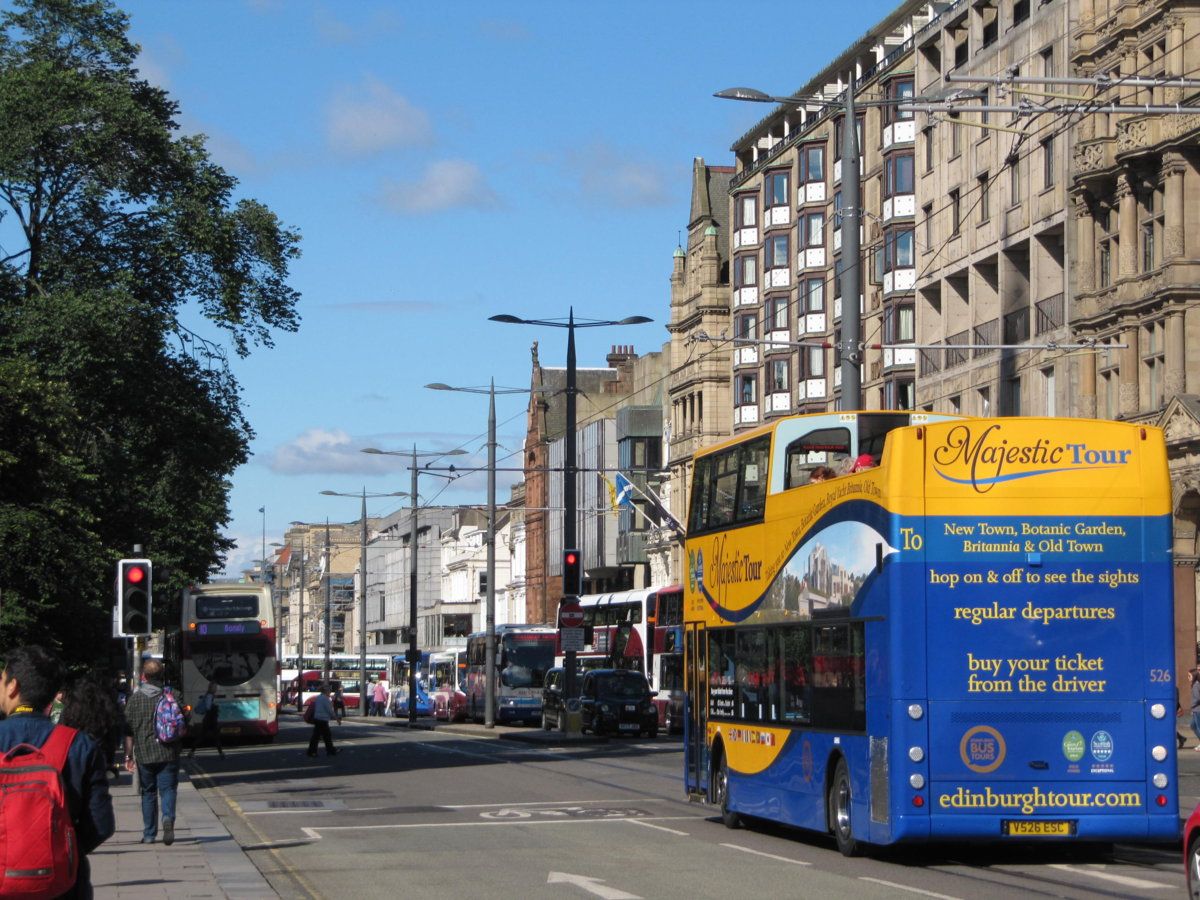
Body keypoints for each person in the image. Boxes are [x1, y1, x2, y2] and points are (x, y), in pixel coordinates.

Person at [0, 645, 114, 897]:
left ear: (13, 686)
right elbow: (102, 825)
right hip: (63, 886)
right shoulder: (79, 745)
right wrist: (61, 850)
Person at [123, 659, 182, 844]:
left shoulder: (135, 700)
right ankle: (168, 818)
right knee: (168, 789)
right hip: (168, 752)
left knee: (148, 793)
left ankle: (149, 835)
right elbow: (183, 720)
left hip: (144, 755)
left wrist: (128, 756)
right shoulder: (174, 695)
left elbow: (128, 731)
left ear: (144, 677)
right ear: (162, 676)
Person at [60, 673, 125, 781]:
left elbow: (62, 733)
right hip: (98, 756)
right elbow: (113, 737)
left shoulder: (69, 710)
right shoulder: (105, 711)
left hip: (74, 757)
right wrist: (110, 761)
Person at [188, 681, 224, 759]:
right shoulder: (209, 696)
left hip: (209, 719)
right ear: (211, 688)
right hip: (210, 719)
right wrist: (215, 707)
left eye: (216, 687)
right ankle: (221, 754)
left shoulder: (209, 695)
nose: (216, 688)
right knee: (212, 736)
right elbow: (208, 707)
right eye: (215, 687)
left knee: (206, 736)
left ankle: (191, 752)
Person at [307, 684, 339, 757]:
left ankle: (329, 750)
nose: (330, 692)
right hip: (322, 719)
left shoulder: (318, 697)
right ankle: (313, 752)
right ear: (326, 691)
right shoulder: (325, 698)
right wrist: (337, 718)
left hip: (318, 718)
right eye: (329, 691)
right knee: (321, 736)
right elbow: (329, 710)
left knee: (323, 736)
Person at [1189, 668, 1200, 751]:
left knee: (1198, 727)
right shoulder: (1195, 684)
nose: (1188, 678)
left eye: (1189, 676)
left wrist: (1192, 707)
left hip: (1197, 710)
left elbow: (1197, 698)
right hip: (1196, 709)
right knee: (1193, 725)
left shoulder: (1195, 685)